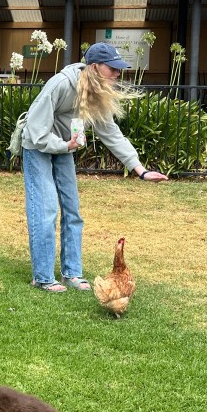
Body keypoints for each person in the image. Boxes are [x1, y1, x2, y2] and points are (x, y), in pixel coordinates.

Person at [22, 41, 168, 293]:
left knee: (73, 210)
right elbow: (35, 131)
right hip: (37, 146)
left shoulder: (97, 93)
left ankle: (72, 273)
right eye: (112, 68)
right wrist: (65, 145)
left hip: (64, 148)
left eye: (118, 68)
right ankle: (43, 277)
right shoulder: (60, 84)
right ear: (94, 67)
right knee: (46, 209)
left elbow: (111, 133)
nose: (117, 73)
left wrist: (140, 170)